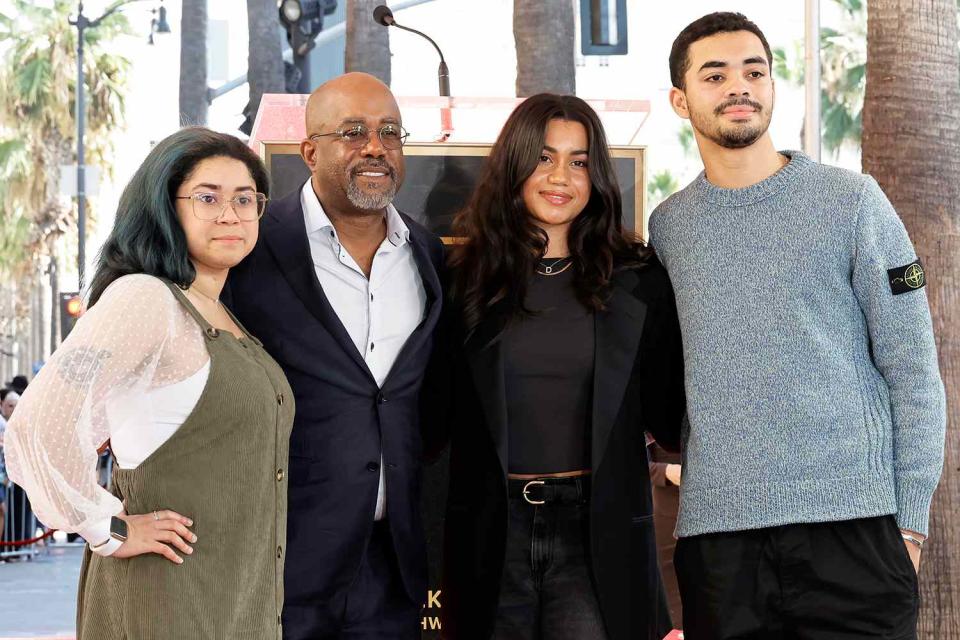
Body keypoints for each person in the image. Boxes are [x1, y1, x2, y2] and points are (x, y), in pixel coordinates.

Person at [650, 12, 946, 639]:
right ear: (681, 99)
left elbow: (913, 367)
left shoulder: (853, 201)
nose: (740, 87)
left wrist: (910, 526)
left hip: (856, 535)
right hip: (720, 544)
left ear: (772, 87)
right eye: (715, 74)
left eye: (755, 71)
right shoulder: (670, 228)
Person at [4, 127, 294, 639]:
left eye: (245, 199)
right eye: (208, 197)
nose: (230, 214)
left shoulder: (222, 312)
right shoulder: (145, 298)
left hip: (237, 598)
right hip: (167, 600)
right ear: (165, 207)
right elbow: (38, 422)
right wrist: (107, 528)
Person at [422, 93, 685, 640]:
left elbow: (671, 416)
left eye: (579, 161)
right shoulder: (460, 280)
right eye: (544, 158)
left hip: (596, 537)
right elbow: (427, 421)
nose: (560, 176)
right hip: (492, 536)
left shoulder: (639, 279)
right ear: (515, 164)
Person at [225, 72, 444, 639]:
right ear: (308, 150)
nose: (375, 147)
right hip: (280, 559)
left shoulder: (427, 253)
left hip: (394, 565)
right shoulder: (249, 247)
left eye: (390, 132)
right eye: (353, 132)